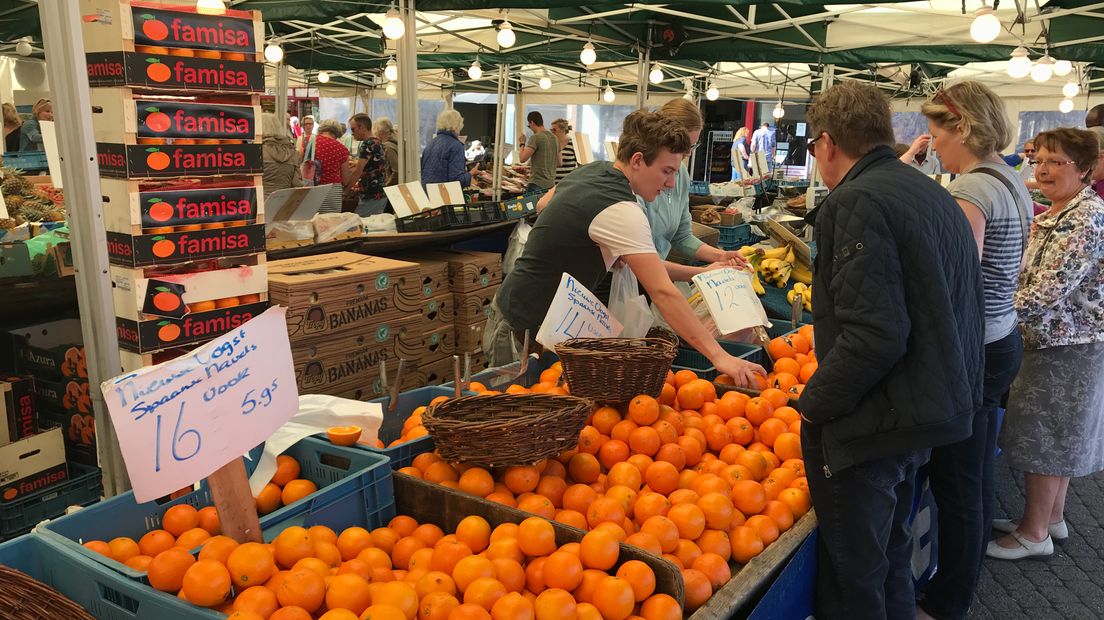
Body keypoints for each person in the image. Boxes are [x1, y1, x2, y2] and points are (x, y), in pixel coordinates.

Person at [799, 81, 985, 619]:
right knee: (892, 555)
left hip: (877, 420)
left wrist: (814, 406)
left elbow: (874, 335)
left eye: (814, 147)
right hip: (926, 410)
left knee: (855, 577)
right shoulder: (929, 190)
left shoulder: (854, 200)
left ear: (829, 143)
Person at [485, 110, 767, 386]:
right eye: (666, 171)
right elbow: (663, 292)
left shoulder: (594, 171)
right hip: (519, 328)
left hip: (527, 318)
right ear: (637, 160)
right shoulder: (621, 209)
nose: (670, 184)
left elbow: (543, 204)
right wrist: (720, 357)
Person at [914, 82, 1031, 620]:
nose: (932, 143)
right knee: (978, 469)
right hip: (1001, 335)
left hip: (974, 348)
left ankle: (948, 600)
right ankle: (961, 583)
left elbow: (951, 286)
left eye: (937, 132)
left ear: (961, 127)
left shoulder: (972, 193)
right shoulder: (1010, 178)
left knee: (958, 479)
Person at [988, 128, 1104, 561]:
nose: (1044, 169)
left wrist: (992, 314)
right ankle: (1048, 518)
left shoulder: (1084, 219)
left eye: (1058, 162)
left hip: (1065, 345)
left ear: (1085, 169)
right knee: (1059, 436)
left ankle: (1034, 534)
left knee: (1045, 439)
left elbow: (1046, 290)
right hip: (1060, 340)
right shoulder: (1063, 211)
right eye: (1041, 160)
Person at [645, 98, 748, 280]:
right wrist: (702, 273)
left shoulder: (682, 174)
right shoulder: (638, 182)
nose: (689, 153)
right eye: (684, 146)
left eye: (693, 145)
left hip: (655, 278)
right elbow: (640, 262)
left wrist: (721, 256)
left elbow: (682, 236)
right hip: (629, 281)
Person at [346, 113, 389, 216]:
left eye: (353, 129)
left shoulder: (367, 145)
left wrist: (346, 190)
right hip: (380, 194)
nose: (352, 133)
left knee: (360, 225)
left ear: (363, 128)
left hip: (371, 195)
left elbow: (358, 171)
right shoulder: (378, 142)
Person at [421, 109, 475, 188]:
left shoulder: (431, 143)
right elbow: (457, 181)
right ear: (458, 125)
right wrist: (470, 174)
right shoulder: (456, 146)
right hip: (444, 195)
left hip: (428, 193)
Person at [261, 113, 302, 198]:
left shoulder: (257, 151)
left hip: (259, 204)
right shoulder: (292, 151)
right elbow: (297, 185)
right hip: (284, 203)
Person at [517, 111, 559, 192]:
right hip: (551, 184)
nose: (530, 128)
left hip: (537, 184)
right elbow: (559, 162)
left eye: (529, 126)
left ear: (532, 122)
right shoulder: (555, 138)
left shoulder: (535, 137)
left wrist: (522, 143)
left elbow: (522, 159)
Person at [313, 120, 351, 187]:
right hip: (333, 189)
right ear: (338, 132)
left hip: (310, 188)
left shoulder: (308, 141)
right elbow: (345, 180)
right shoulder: (343, 149)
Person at [550, 118, 577, 183]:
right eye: (551, 130)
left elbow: (580, 165)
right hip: (552, 183)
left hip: (567, 184)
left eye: (554, 130)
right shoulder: (551, 144)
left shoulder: (573, 144)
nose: (552, 132)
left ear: (563, 130)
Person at [376, 117, 399, 186]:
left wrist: (386, 185)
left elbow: (396, 171)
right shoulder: (397, 141)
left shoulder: (387, 146)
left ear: (380, 133)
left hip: (394, 187)